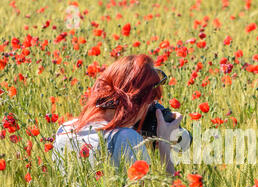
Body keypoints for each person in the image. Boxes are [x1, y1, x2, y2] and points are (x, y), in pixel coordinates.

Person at [52, 54, 182, 174]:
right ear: (140, 99)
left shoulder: (64, 129)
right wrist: (164, 145)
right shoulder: (126, 138)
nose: (151, 107)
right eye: (152, 99)